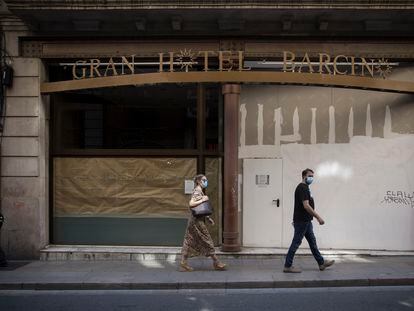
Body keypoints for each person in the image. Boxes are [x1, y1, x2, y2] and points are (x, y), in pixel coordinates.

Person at [283, 168, 334, 273]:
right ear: (304, 176)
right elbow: (306, 206)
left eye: (312, 176)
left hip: (306, 221)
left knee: (312, 242)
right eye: (309, 176)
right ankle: (287, 266)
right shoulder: (302, 188)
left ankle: (321, 263)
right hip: (302, 221)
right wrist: (318, 217)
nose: (311, 178)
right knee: (296, 243)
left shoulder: (305, 187)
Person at [179, 174, 227, 272]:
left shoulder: (199, 190)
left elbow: (200, 209)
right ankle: (216, 262)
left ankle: (183, 262)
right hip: (197, 222)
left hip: (194, 220)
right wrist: (203, 199)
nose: (206, 181)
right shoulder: (197, 191)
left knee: (189, 241)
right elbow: (191, 204)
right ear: (199, 181)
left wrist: (208, 218)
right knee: (207, 239)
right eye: (204, 180)